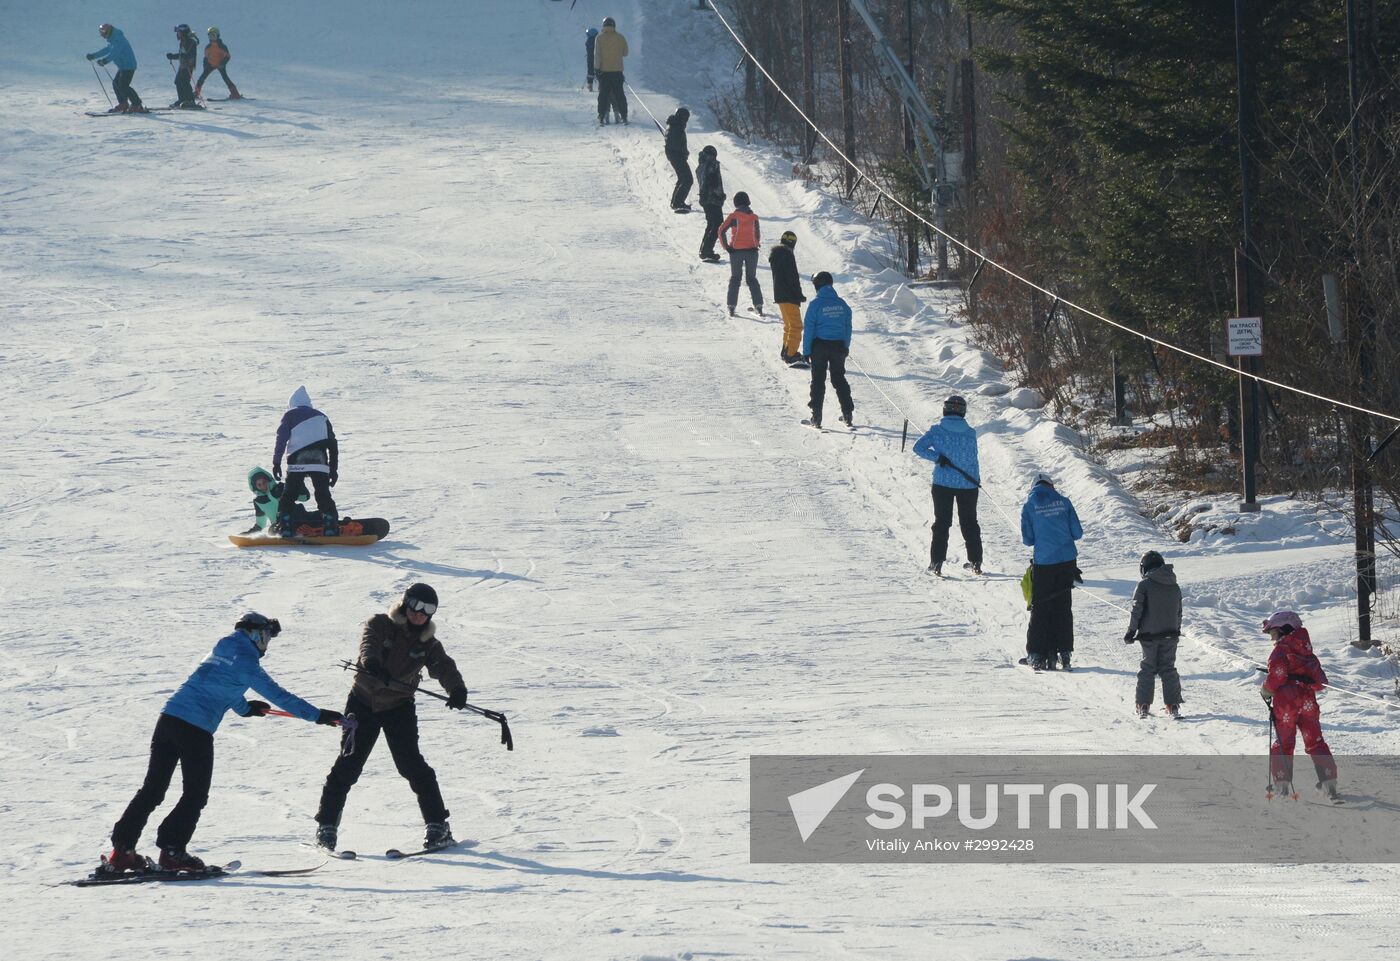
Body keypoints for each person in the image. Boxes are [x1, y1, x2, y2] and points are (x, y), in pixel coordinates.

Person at [104, 613, 343, 874]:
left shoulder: (223, 648)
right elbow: (280, 696)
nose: (267, 643)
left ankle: (121, 852)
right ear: (256, 634)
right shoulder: (247, 662)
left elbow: (219, 685)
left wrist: (245, 708)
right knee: (195, 794)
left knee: (152, 789)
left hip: (169, 719)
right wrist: (318, 715)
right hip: (194, 729)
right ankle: (172, 851)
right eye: (266, 636)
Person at [314, 584, 469, 852]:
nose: (420, 614)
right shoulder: (381, 623)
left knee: (411, 765)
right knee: (348, 766)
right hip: (363, 703)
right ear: (405, 604)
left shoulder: (428, 644)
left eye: (428, 610)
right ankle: (326, 827)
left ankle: (438, 826)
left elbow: (443, 666)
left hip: (399, 707)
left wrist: (456, 689)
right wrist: (372, 665)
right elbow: (368, 645)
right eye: (416, 607)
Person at [1259, 611, 1339, 800]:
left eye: (1273, 634)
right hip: (1308, 702)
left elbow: (1277, 675)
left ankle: (1281, 785)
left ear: (1284, 630)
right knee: (1315, 741)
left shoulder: (1281, 650)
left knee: (1284, 741)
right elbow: (1320, 682)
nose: (1272, 638)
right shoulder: (1307, 652)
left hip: (1286, 703)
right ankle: (1329, 782)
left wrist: (1266, 689)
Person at [912, 396, 983, 576]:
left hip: (943, 484)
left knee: (942, 522)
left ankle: (936, 562)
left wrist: (937, 457)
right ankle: (976, 561)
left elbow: (918, 448)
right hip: (969, 484)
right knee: (970, 523)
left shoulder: (936, 431)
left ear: (945, 410)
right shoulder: (971, 433)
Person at [1020, 473, 1083, 671]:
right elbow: (1077, 533)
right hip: (1067, 561)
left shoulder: (1029, 506)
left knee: (1040, 609)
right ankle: (1064, 652)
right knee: (1063, 608)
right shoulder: (1064, 502)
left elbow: (1028, 539)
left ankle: (1037, 654)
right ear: (1051, 486)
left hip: (1045, 563)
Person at [272, 386, 339, 536]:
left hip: (297, 463)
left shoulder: (290, 415)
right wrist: (333, 469)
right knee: (323, 495)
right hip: (320, 463)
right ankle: (330, 525)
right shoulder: (322, 417)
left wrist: (276, 462)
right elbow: (332, 444)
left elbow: (281, 439)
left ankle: (285, 526)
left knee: (289, 495)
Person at [1124, 550, 1183, 717]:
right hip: (1171, 634)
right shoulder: (1175, 585)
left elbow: (1137, 611)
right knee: (1168, 668)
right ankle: (1173, 705)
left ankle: (1143, 704)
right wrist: (1177, 630)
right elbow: (1179, 611)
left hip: (1148, 635)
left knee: (1148, 668)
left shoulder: (1144, 585)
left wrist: (1131, 631)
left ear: (1144, 568)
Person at [801, 272, 855, 429]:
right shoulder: (842, 304)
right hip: (838, 346)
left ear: (817, 286)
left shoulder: (815, 305)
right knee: (839, 379)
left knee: (818, 381)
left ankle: (816, 417)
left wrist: (806, 351)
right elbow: (848, 328)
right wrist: (845, 346)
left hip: (819, 347)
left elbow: (809, 329)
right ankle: (847, 414)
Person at [718, 191, 763, 317]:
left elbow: (721, 231)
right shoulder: (754, 217)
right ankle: (758, 305)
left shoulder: (733, 216)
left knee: (735, 278)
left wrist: (726, 247)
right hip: (752, 251)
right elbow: (757, 233)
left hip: (736, 251)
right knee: (752, 278)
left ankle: (731, 306)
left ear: (736, 203)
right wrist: (756, 243)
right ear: (748, 202)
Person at [86, 23, 146, 114]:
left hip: (128, 66)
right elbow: (107, 50)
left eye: (103, 32)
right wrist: (94, 56)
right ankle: (123, 103)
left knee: (123, 86)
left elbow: (115, 52)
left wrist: (105, 61)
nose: (102, 35)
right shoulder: (113, 39)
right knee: (116, 84)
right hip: (123, 67)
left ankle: (137, 105)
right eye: (101, 32)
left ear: (108, 31)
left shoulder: (118, 39)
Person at [768, 231, 806, 365]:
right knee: (796, 326)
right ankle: (791, 354)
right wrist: (799, 294)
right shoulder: (788, 255)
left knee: (788, 325)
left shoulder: (776, 255)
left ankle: (786, 350)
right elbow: (792, 277)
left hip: (780, 295)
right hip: (789, 295)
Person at [243, 466, 315, 534]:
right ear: (255, 487)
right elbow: (260, 524)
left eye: (264, 482)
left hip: (296, 517)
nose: (263, 486)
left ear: (268, 480)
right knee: (271, 530)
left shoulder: (280, 488)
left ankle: (321, 526)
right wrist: (249, 534)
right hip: (279, 526)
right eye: (259, 485)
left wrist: (300, 483)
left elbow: (304, 497)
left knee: (314, 516)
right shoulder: (258, 501)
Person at [594, 17, 628, 125]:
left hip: (604, 72)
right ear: (614, 25)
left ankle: (602, 116)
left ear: (603, 25)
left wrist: (597, 69)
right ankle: (624, 116)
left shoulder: (599, 38)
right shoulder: (620, 37)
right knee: (620, 94)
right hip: (617, 72)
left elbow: (597, 55)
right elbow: (625, 53)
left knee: (603, 95)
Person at [696, 145, 725, 263]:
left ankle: (705, 250)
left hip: (705, 199)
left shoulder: (700, 166)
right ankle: (706, 250)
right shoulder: (712, 164)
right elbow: (714, 183)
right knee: (718, 224)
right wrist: (720, 195)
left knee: (711, 224)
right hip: (713, 199)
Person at [194, 26, 240, 101]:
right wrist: (205, 65)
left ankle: (235, 93)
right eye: (210, 36)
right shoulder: (208, 47)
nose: (212, 38)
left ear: (217, 36)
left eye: (213, 36)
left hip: (220, 65)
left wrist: (222, 63)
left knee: (225, 78)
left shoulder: (222, 46)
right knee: (201, 78)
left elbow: (227, 56)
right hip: (210, 64)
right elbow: (206, 57)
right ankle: (196, 93)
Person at [665, 107, 693, 212]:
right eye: (685, 118)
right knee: (688, 179)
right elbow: (677, 144)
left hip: (675, 155)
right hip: (677, 156)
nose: (686, 120)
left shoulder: (674, 125)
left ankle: (675, 202)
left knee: (682, 178)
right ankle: (678, 203)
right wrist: (684, 152)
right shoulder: (676, 127)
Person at [166, 24, 199, 108]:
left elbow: (191, 54)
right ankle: (182, 99)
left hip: (188, 65)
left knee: (184, 82)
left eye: (179, 32)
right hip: (183, 65)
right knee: (178, 81)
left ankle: (190, 100)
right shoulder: (183, 41)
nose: (177, 34)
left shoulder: (191, 42)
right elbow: (182, 54)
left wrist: (186, 57)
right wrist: (172, 56)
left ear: (183, 32)